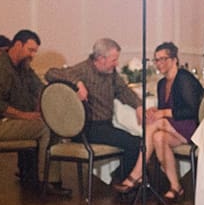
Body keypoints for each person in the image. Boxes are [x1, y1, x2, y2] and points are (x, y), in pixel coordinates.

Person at [0, 29, 68, 196]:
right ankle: (46, 181)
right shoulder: (0, 68)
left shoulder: (22, 67)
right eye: (30, 50)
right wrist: (25, 116)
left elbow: (39, 88)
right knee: (45, 128)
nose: (32, 55)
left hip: (12, 121)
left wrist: (42, 105)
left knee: (51, 123)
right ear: (18, 45)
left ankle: (42, 178)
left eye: (35, 51)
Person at [113, 42, 203, 202]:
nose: (159, 63)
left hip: (191, 127)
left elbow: (193, 110)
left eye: (163, 59)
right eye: (156, 60)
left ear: (174, 60)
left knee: (156, 124)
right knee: (158, 138)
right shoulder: (162, 84)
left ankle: (136, 174)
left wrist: (163, 113)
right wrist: (156, 111)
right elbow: (166, 109)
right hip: (175, 128)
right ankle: (176, 187)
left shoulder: (183, 78)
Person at [45, 37, 143, 179]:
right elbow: (51, 73)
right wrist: (77, 83)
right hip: (87, 128)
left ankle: (122, 179)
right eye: (114, 60)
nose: (116, 63)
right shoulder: (83, 70)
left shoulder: (111, 73)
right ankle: (120, 180)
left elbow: (123, 91)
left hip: (104, 126)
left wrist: (138, 105)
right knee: (134, 144)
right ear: (101, 59)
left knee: (138, 142)